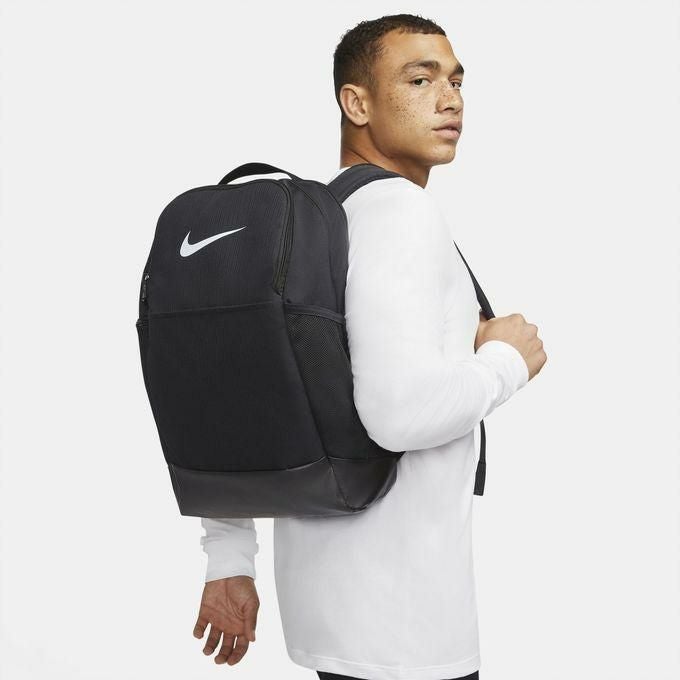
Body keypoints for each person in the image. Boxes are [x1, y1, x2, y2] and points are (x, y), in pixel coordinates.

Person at [192, 13, 547, 680]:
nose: (450, 99)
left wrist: (229, 559)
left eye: (457, 81)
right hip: (406, 629)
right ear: (355, 103)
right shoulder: (403, 212)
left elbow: (238, 392)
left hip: (327, 610)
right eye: (419, 79)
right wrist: (506, 363)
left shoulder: (315, 221)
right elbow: (399, 415)